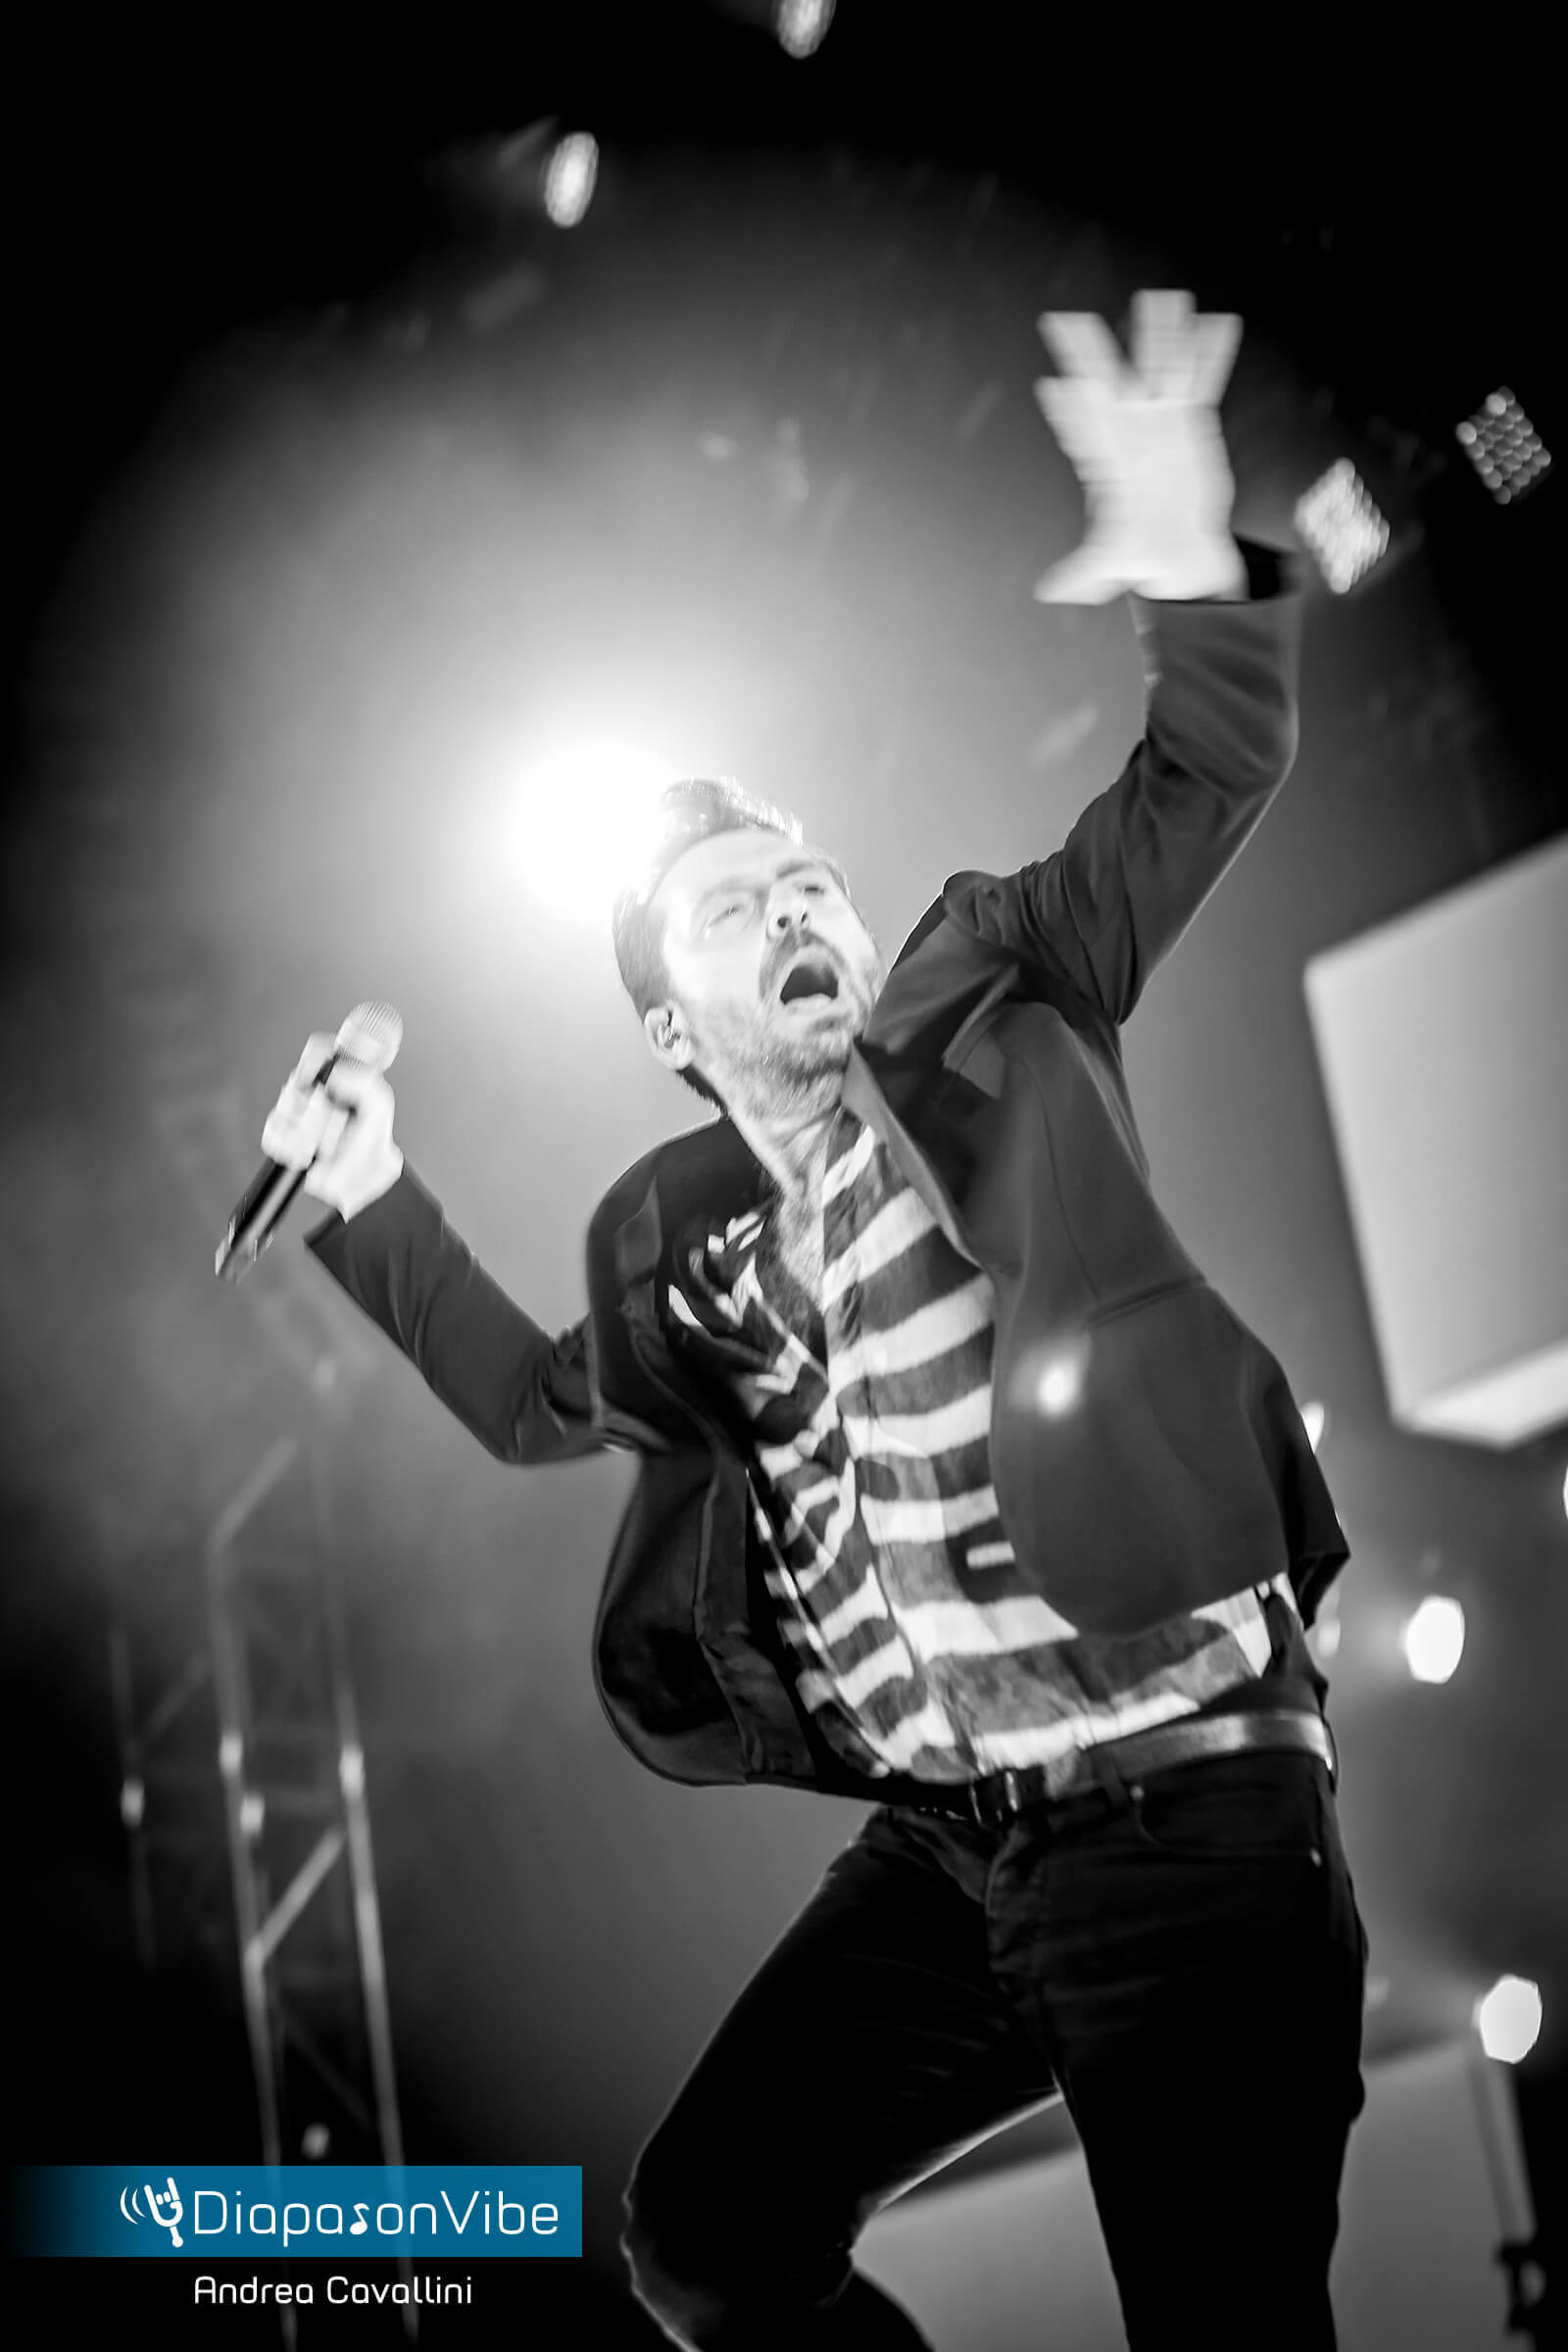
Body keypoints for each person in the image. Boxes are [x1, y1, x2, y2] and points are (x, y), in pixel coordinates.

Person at [261, 292, 1368, 2350]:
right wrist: (362, 1195)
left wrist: (1186, 561)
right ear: (674, 1033)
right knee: (703, 2234)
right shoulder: (695, 1256)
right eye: (731, 907)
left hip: (1181, 1801)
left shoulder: (997, 988)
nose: (790, 909)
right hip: (959, 1860)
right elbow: (529, 1402)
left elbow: (1211, 765)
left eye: (807, 886)